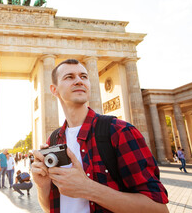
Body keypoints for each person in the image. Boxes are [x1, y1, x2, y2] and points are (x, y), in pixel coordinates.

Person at [31, 59, 168, 212]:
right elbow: (52, 208)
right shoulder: (54, 140)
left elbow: (159, 209)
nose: (78, 81)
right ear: (54, 90)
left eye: (83, 76)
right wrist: (42, 186)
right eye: (69, 77)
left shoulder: (119, 131)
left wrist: (88, 189)